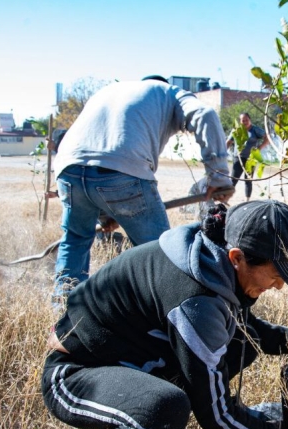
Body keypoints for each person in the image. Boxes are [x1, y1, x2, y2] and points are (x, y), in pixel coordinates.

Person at [42, 200, 288, 429]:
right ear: (237, 257)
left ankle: (152, 408)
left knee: (242, 342)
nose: (279, 285)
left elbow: (242, 327)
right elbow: (215, 416)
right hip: (76, 375)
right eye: (275, 275)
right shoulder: (195, 299)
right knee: (164, 410)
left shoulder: (210, 259)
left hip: (132, 362)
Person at [51, 76, 234, 298]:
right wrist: (219, 177)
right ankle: (171, 308)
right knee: (162, 253)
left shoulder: (112, 90)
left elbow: (92, 163)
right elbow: (205, 114)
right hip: (123, 169)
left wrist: (106, 214)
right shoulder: (169, 93)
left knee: (75, 241)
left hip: (68, 167)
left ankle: (65, 308)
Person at [227, 113, 270, 201]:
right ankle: (225, 200)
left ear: (250, 120)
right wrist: (222, 153)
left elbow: (267, 138)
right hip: (238, 158)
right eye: (243, 120)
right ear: (240, 121)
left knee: (248, 180)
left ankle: (247, 200)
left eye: (246, 120)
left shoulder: (255, 130)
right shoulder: (236, 130)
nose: (245, 122)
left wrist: (259, 148)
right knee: (233, 180)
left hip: (250, 159)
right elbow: (229, 142)